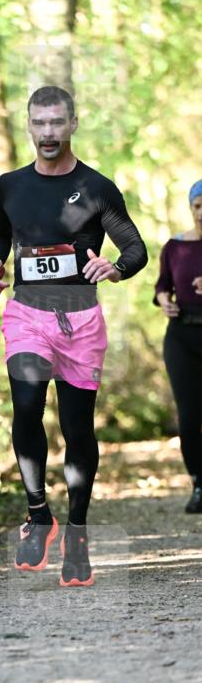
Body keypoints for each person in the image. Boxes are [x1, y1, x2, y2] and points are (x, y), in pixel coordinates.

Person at [0, 85, 148, 587]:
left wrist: (114, 269)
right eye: (40, 123)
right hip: (27, 316)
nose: (48, 133)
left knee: (78, 431)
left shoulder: (97, 188)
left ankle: (76, 533)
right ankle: (38, 515)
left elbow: (136, 248)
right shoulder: (10, 185)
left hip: (80, 322)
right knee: (27, 408)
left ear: (73, 124)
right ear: (28, 126)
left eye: (57, 123)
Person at [154, 179, 202, 513]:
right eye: (198, 205)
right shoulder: (174, 246)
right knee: (188, 415)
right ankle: (199, 483)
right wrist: (164, 301)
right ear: (191, 207)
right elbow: (161, 286)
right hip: (181, 335)